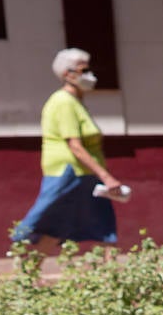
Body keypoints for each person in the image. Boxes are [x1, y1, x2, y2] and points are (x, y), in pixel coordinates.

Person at [11, 48, 127, 248]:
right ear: (67, 74)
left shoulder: (76, 102)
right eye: (83, 70)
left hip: (86, 174)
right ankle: (22, 260)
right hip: (70, 172)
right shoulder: (63, 102)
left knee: (101, 227)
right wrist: (106, 177)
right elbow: (75, 145)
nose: (89, 75)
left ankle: (111, 275)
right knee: (49, 222)